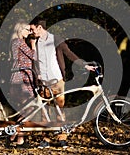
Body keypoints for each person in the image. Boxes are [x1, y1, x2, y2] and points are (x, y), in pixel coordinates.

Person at [30, 19, 95, 148]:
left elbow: (69, 53)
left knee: (60, 111)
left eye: (32, 29)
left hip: (57, 81)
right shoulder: (34, 41)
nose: (31, 32)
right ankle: (46, 139)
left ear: (39, 28)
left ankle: (62, 138)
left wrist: (84, 65)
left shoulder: (55, 39)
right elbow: (33, 61)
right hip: (43, 83)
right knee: (45, 113)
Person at [9, 20, 36, 147]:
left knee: (24, 110)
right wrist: (34, 44)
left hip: (20, 79)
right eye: (27, 29)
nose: (29, 32)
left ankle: (14, 136)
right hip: (21, 80)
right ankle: (17, 137)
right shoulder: (20, 42)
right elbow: (33, 56)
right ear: (20, 30)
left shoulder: (15, 42)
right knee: (30, 109)